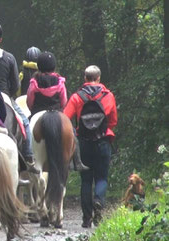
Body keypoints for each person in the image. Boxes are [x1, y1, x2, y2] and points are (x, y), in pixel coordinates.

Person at [0, 20, 39, 173]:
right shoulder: (9, 57)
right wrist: (8, 95)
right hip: (4, 96)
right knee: (25, 122)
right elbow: (16, 85)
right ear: (0, 40)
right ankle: (29, 156)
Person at [63, 65, 117, 228]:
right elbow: (113, 121)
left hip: (84, 142)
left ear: (85, 78)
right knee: (101, 177)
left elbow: (65, 118)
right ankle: (99, 201)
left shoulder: (77, 97)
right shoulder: (108, 96)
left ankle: (86, 219)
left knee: (86, 181)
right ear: (99, 78)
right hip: (103, 141)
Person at [26, 51, 67, 117]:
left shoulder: (34, 82)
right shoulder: (60, 82)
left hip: (37, 113)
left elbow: (29, 103)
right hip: (57, 114)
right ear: (53, 66)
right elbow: (63, 103)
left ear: (39, 66)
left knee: (26, 125)